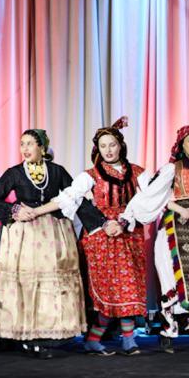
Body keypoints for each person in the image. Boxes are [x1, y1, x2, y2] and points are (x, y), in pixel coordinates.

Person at [0, 129, 104, 358]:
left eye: (30, 144)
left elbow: (74, 197)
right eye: (22, 144)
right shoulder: (15, 173)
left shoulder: (57, 171)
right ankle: (27, 335)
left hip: (53, 233)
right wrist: (14, 210)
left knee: (52, 285)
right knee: (28, 283)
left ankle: (49, 333)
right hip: (24, 235)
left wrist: (99, 223)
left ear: (42, 147)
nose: (26, 149)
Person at [122, 116, 189, 354]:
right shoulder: (172, 169)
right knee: (171, 277)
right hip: (177, 227)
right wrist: (181, 208)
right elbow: (155, 196)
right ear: (182, 144)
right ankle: (168, 332)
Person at [54, 116, 151, 356]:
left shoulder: (138, 172)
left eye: (113, 145)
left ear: (121, 146)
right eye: (103, 146)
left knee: (130, 286)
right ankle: (95, 338)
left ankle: (129, 339)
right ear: (98, 149)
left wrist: (126, 220)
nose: (108, 150)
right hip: (102, 236)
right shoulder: (90, 175)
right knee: (108, 289)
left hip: (128, 234)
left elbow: (151, 199)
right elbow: (69, 198)